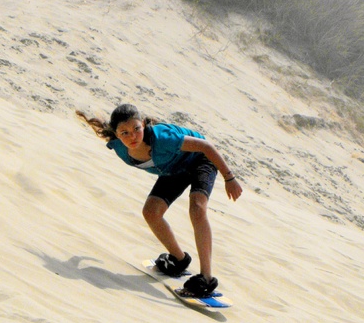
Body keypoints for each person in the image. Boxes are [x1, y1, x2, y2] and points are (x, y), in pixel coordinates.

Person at [76, 104, 242, 297]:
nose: (132, 137)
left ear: (144, 125)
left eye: (136, 129)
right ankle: (178, 260)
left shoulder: (162, 138)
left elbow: (206, 147)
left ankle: (206, 279)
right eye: (125, 132)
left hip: (200, 160)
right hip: (173, 168)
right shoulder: (119, 147)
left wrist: (229, 178)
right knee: (151, 212)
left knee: (197, 208)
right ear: (116, 134)